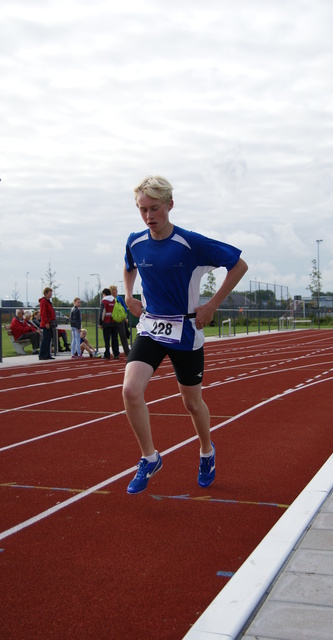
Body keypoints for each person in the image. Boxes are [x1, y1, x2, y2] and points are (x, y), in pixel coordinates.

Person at [122, 176, 248, 494]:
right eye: (143, 210)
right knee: (130, 391)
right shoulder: (135, 241)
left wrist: (211, 306)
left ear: (170, 206)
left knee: (191, 403)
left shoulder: (191, 243)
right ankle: (149, 458)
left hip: (186, 330)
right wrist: (128, 294)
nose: (149, 216)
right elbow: (129, 266)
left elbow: (239, 265)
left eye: (155, 208)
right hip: (151, 326)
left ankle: (207, 452)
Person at [109, 284, 130, 356]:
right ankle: (116, 353)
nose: (117, 291)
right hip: (114, 320)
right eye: (115, 290)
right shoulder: (111, 299)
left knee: (123, 336)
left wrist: (125, 317)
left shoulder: (119, 298)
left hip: (120, 319)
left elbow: (124, 308)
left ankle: (126, 351)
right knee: (115, 337)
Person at [100, 288, 120, 360]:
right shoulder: (115, 300)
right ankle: (116, 354)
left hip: (107, 322)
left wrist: (100, 323)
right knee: (115, 339)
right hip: (115, 321)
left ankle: (107, 354)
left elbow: (103, 312)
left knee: (107, 339)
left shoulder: (104, 301)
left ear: (104, 294)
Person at [38, 287, 56, 360]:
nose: (51, 294)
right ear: (46, 293)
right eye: (50, 293)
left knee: (48, 339)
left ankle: (47, 354)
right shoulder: (43, 302)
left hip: (50, 322)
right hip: (46, 323)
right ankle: (42, 354)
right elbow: (43, 313)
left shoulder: (48, 302)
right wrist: (46, 322)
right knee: (45, 339)